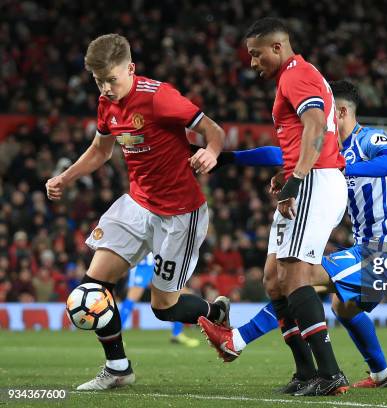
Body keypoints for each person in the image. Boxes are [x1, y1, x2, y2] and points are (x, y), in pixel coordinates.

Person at [199, 80, 387, 390]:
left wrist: (340, 170)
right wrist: (228, 158)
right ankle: (382, 375)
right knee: (343, 307)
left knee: (299, 276)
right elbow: (276, 153)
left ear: (338, 112)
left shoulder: (367, 139)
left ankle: (238, 339)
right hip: (364, 248)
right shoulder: (329, 150)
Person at [45, 33, 229, 390]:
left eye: (111, 79)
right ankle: (118, 368)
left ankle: (214, 311)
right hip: (137, 205)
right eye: (99, 81)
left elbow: (214, 131)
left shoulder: (160, 98)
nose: (106, 88)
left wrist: (212, 151)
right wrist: (65, 178)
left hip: (180, 214)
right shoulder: (106, 103)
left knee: (164, 308)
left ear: (130, 68)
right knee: (93, 286)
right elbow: (100, 151)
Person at [209, 17, 348, 397]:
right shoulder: (293, 78)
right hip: (308, 179)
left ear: (277, 48)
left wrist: (296, 179)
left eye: (256, 55)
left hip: (316, 182)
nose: (252, 63)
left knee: (294, 277)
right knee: (274, 279)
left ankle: (331, 373)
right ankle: (305, 371)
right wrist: (287, 172)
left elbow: (316, 126)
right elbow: (298, 137)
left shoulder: (295, 74)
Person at [119, 253, 200, 347]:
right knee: (133, 297)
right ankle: (117, 335)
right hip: (143, 264)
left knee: (181, 293)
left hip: (160, 263)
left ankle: (177, 334)